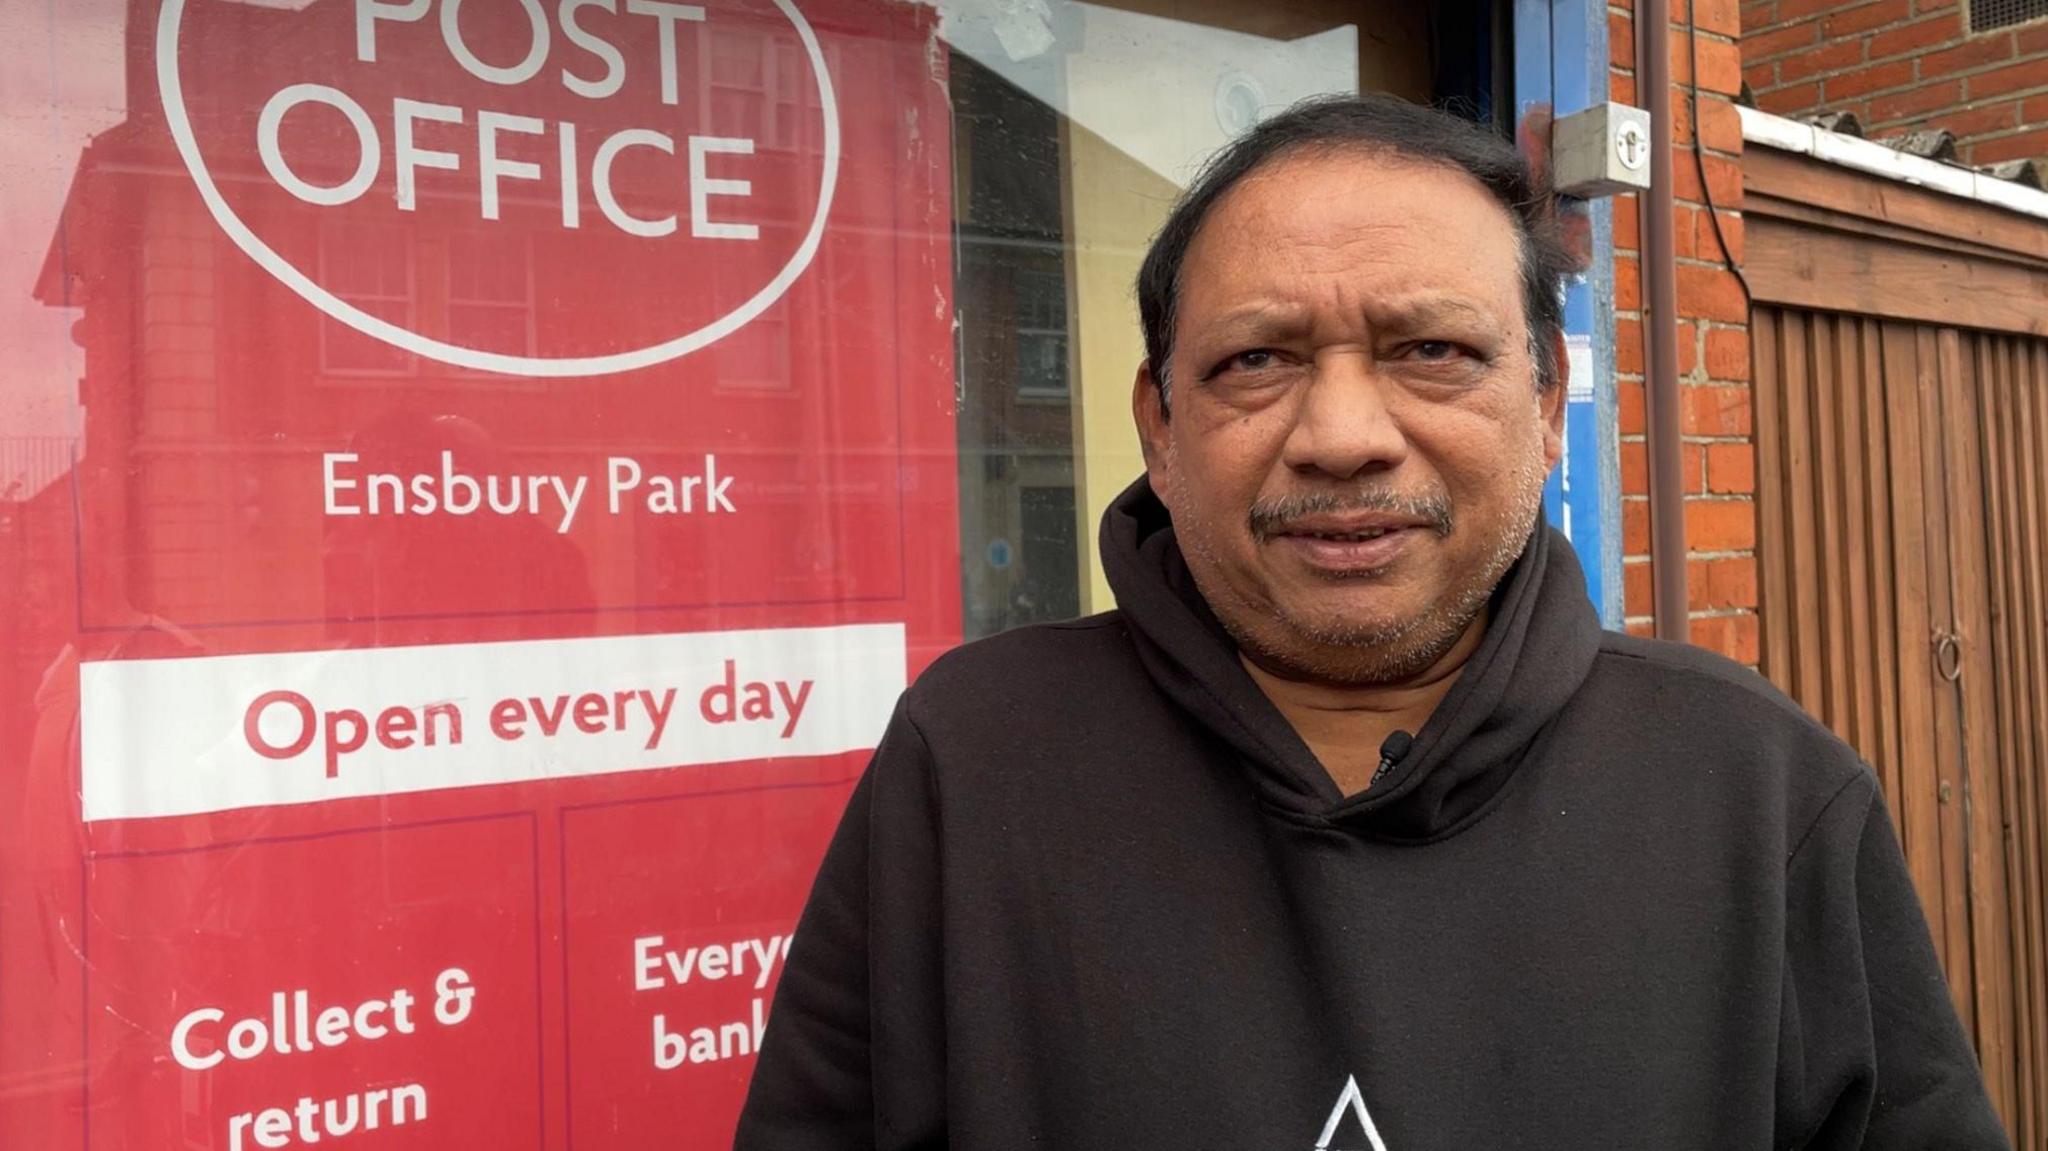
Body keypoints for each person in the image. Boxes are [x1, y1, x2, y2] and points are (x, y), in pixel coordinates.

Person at [735, 94, 2007, 1149]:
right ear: (1159, 426)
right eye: (1256, 361)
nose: (1341, 436)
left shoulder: (1760, 787)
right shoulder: (979, 757)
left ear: (1547, 403)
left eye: (1430, 350)